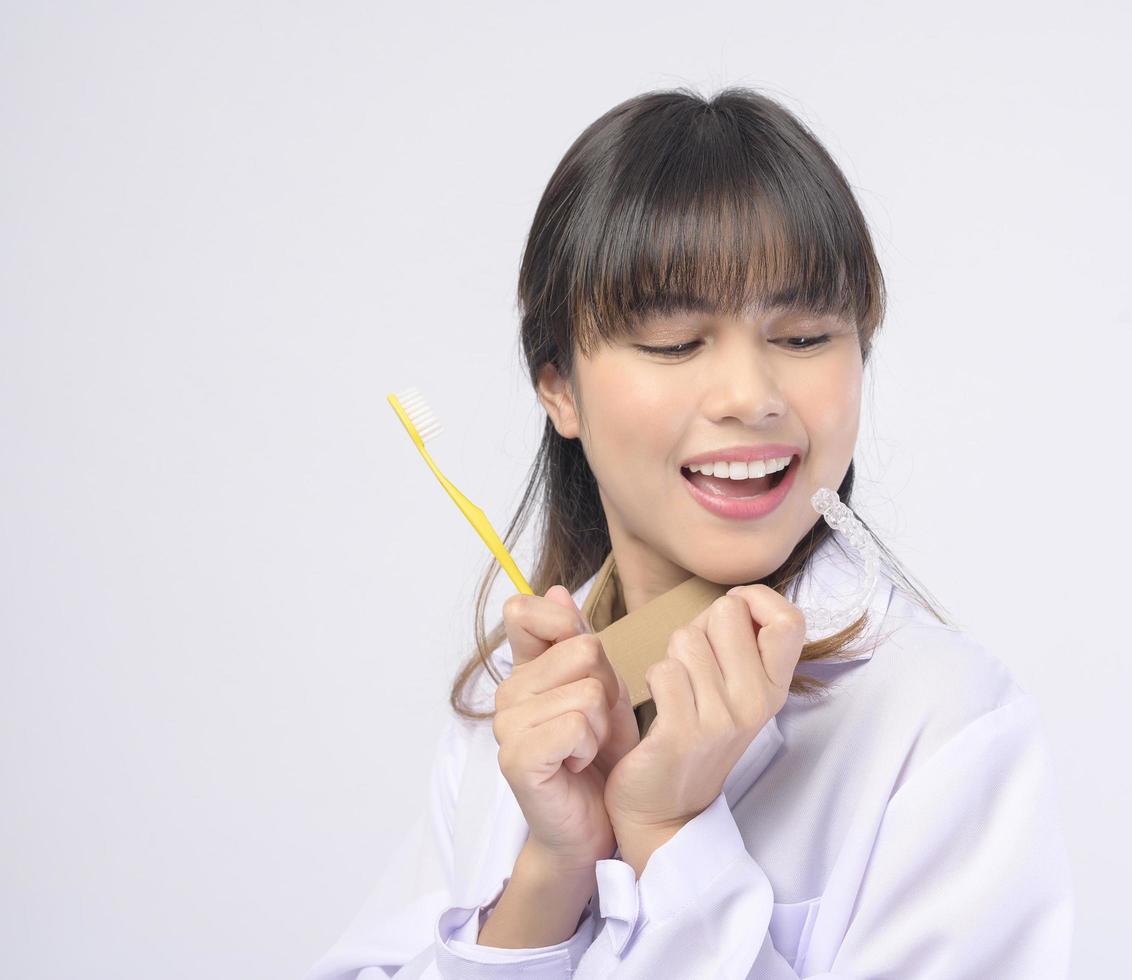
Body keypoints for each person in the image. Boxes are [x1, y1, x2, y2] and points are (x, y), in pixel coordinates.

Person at [305, 86, 1073, 979]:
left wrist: (670, 840)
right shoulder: (515, 713)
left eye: (806, 334)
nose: (750, 396)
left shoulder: (942, 722)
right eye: (674, 343)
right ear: (558, 386)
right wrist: (546, 885)